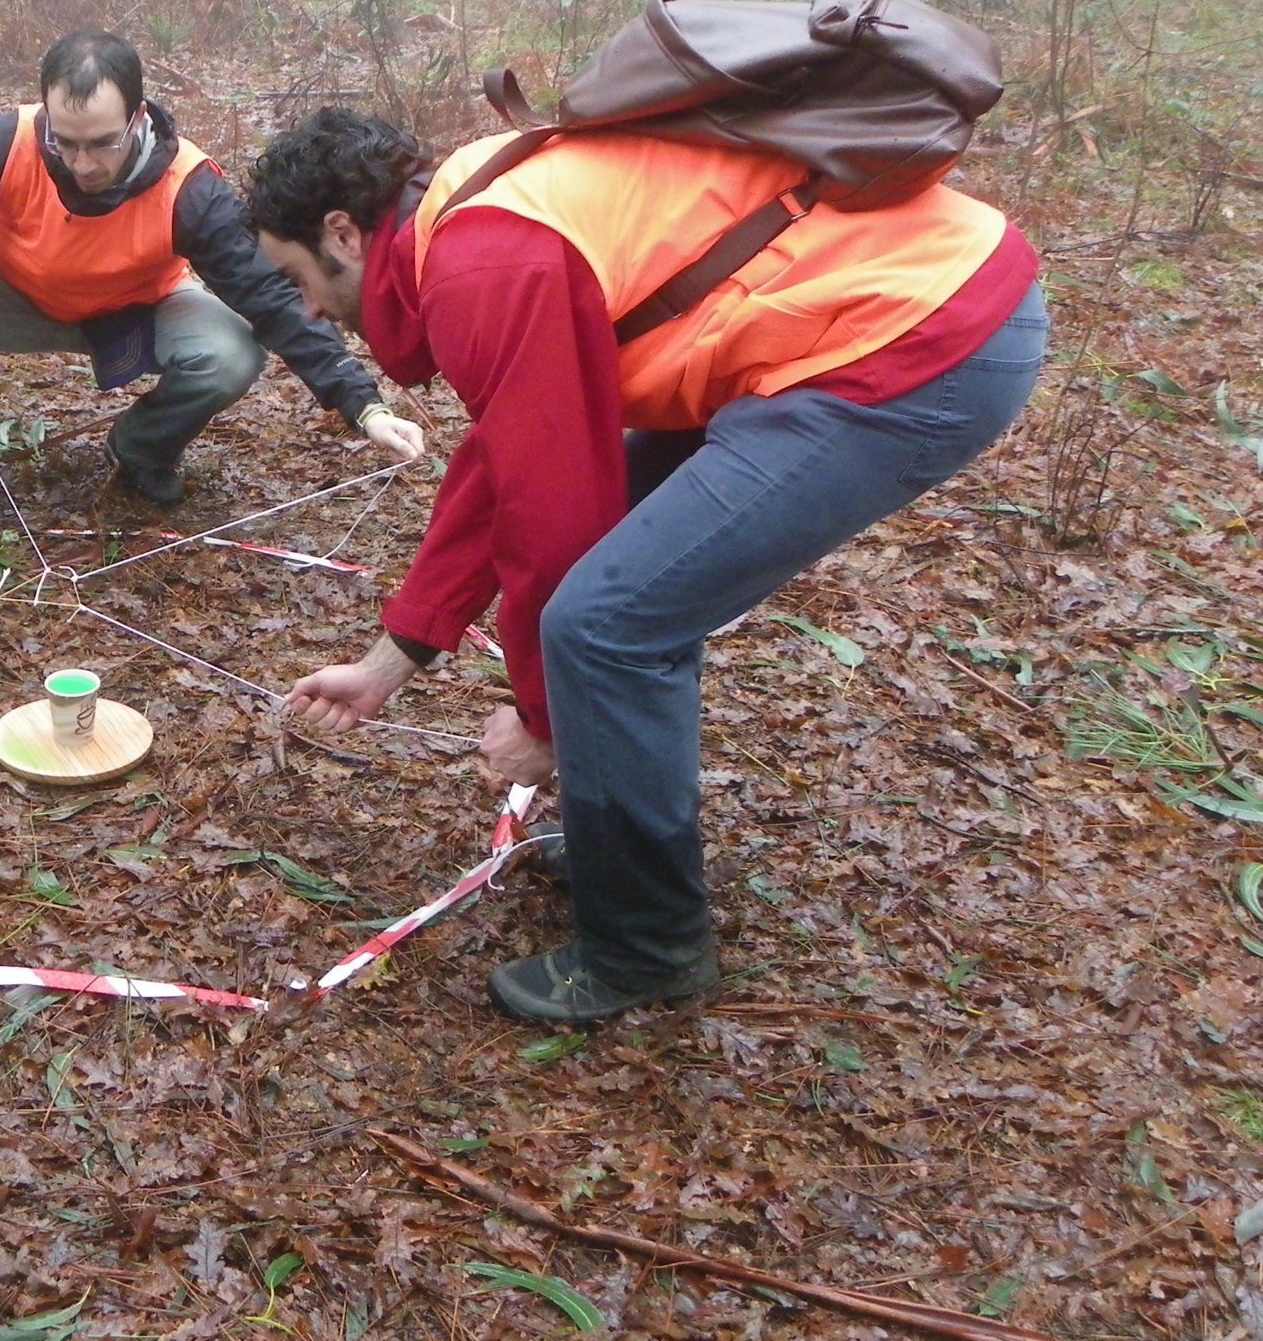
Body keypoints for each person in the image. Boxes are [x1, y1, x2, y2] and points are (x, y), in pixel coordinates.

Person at [246, 106, 1047, 1024]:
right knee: (614, 610)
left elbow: (554, 522)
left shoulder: (481, 263)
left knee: (608, 622)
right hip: (881, 309)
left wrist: (547, 721)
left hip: (912, 340)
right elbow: (503, 465)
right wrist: (394, 660)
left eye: (295, 277)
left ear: (342, 233)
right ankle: (614, 828)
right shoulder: (464, 216)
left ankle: (645, 945)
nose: (305, 310)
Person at [0, 30, 422, 507]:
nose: (82, 164)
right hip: (13, 293)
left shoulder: (191, 187)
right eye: (65, 142)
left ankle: (141, 448)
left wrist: (361, 403)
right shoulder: (8, 142)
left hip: (138, 311)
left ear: (139, 117)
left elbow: (270, 296)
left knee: (231, 352)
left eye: (102, 143)